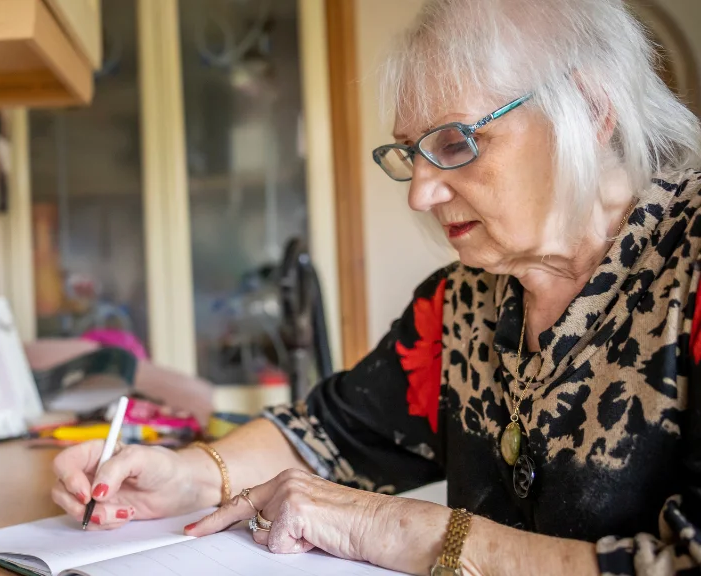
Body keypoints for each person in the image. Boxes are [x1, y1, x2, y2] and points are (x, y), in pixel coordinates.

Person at [50, 0, 701, 573]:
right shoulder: (462, 303)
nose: (420, 193)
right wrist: (189, 474)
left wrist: (386, 526)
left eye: (456, 141)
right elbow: (329, 433)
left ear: (588, 110)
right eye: (411, 152)